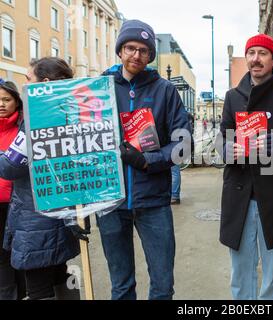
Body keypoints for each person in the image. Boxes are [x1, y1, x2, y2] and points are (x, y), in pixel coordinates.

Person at [98, 19, 190, 300]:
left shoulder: (165, 90)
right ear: (120, 51)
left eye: (143, 50)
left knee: (163, 285)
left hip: (153, 202)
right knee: (121, 285)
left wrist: (148, 160)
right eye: (129, 48)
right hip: (111, 201)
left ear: (150, 55)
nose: (136, 55)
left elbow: (183, 145)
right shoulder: (99, 89)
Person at [219, 34, 273, 300]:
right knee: (240, 273)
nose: (255, 59)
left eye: (263, 53)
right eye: (251, 53)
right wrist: (228, 150)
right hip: (239, 195)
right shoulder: (233, 97)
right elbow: (222, 138)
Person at [0, 57, 84, 300]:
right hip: (63, 214)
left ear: (43, 84)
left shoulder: (37, 121)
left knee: (37, 285)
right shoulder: (71, 114)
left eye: (29, 79)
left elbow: (10, 167)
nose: (25, 85)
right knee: (60, 273)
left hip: (35, 220)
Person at [0, 80, 26, 300]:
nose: (1, 104)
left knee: (17, 255)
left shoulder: (24, 127)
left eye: (6, 100)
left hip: (16, 203)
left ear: (16, 102)